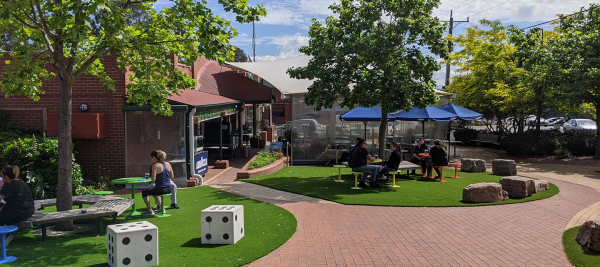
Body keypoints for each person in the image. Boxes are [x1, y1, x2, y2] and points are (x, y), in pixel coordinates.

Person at [0, 166, 34, 246]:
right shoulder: (21, 182)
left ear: (5, 177)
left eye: (2, 176)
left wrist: (2, 185)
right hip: (29, 211)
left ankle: (5, 236)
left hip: (20, 213)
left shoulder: (9, 186)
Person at [141, 150, 174, 216]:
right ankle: (161, 208)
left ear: (154, 157)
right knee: (154, 191)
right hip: (169, 188)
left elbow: (153, 180)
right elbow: (172, 176)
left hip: (161, 189)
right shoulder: (168, 164)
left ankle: (150, 210)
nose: (152, 159)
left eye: (152, 158)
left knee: (144, 192)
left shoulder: (155, 166)